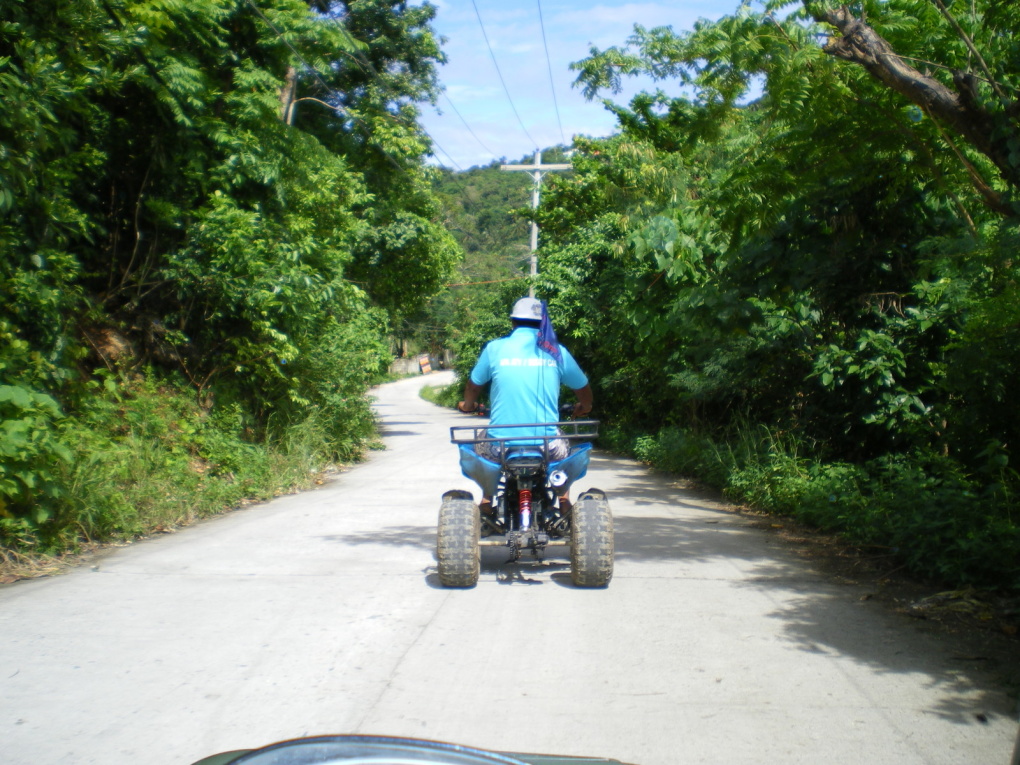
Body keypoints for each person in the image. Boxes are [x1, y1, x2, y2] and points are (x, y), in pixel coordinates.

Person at [457, 297, 593, 513]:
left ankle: (486, 501)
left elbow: (474, 386)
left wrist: (468, 405)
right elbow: (583, 390)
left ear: (513, 322)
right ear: (542, 323)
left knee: (482, 443)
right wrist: (584, 408)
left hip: (499, 446)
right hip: (547, 445)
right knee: (564, 450)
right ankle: (565, 501)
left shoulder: (494, 349)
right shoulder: (556, 351)